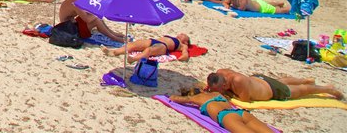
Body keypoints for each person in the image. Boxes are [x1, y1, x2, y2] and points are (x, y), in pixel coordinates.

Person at [170, 87, 275, 133]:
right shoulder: (217, 94)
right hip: (241, 112)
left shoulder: (197, 98)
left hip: (227, 116)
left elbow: (175, 99)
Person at [206, 69, 343, 102]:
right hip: (259, 80)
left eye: (220, 89)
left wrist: (227, 96)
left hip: (271, 90)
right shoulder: (220, 73)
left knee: (300, 91)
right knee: (281, 80)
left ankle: (328, 89)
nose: (220, 91)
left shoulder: (238, 81)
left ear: (224, 84)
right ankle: (305, 79)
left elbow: (245, 99)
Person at [58, 0, 126, 42]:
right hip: (68, 29)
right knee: (96, 20)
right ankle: (113, 37)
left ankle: (112, 33)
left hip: (70, 23)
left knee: (97, 17)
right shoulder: (75, 4)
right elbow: (87, 19)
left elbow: (87, 12)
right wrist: (97, 13)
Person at [102, 33, 191, 61]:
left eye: (184, 35)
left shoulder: (183, 45)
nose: (181, 34)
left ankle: (134, 59)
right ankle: (114, 52)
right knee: (133, 44)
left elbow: (185, 55)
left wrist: (180, 58)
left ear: (186, 41)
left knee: (149, 50)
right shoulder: (172, 37)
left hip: (163, 47)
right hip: (153, 40)